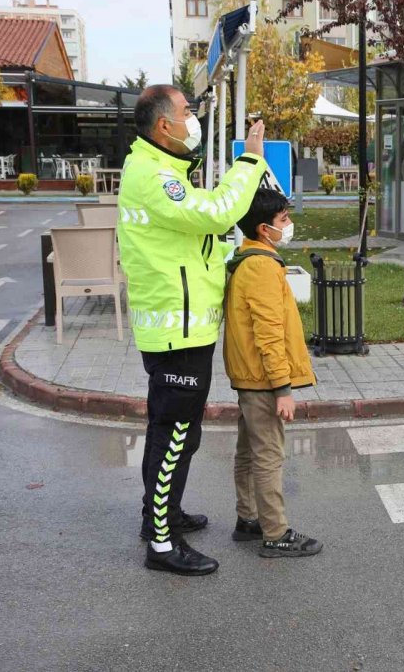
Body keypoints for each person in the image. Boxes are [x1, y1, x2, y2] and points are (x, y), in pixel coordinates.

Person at [118, 84, 268, 575]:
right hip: (176, 332)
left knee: (179, 431)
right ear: (164, 125)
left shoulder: (162, 171)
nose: (193, 119)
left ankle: (161, 516)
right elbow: (218, 212)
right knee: (174, 433)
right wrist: (249, 161)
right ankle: (161, 543)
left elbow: (199, 235)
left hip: (184, 327)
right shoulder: (156, 176)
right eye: (187, 111)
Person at [223, 187, 322, 558]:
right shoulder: (263, 267)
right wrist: (282, 387)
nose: (289, 225)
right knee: (268, 455)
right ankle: (276, 532)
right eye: (284, 220)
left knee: (249, 451)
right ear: (265, 229)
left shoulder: (247, 259)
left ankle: (248, 518)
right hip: (264, 380)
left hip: (249, 376)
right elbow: (269, 333)